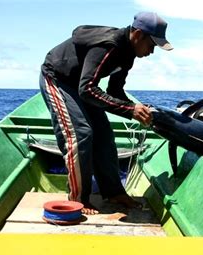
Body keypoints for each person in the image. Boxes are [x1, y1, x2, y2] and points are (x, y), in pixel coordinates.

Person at [39, 12, 173, 214]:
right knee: (80, 134)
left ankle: (113, 192)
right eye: (152, 45)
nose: (152, 51)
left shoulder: (128, 55)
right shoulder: (108, 45)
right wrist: (130, 110)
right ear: (137, 34)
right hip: (58, 79)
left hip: (82, 85)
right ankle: (78, 199)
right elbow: (87, 89)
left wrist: (136, 109)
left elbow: (114, 92)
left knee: (104, 134)